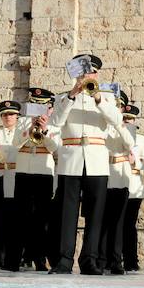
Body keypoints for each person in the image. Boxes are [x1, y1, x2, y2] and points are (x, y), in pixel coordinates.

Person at [48, 53, 123, 275]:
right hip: (70, 158)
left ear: (97, 74)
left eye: (91, 72)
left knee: (95, 213)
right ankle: (64, 260)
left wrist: (98, 98)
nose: (88, 75)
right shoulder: (64, 97)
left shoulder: (107, 96)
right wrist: (73, 94)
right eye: (83, 72)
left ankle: (90, 259)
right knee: (67, 212)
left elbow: (117, 121)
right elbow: (56, 122)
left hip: (96, 159)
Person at [13, 88, 59, 272]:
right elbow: (16, 143)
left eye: (42, 106)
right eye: (35, 105)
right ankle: (17, 257)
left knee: (41, 219)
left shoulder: (54, 124)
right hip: (24, 171)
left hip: (43, 173)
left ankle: (40, 258)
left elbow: (55, 147)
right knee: (21, 216)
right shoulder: (22, 122)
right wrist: (30, 128)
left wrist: (45, 129)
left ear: (48, 107)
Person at [100, 105, 137, 274]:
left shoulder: (125, 128)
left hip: (120, 176)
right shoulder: (101, 124)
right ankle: (100, 259)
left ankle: (115, 261)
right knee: (99, 222)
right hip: (102, 174)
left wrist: (118, 124)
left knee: (117, 223)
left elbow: (129, 143)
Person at [0, 100, 21, 270]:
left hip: (16, 178)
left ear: (17, 116)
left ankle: (14, 258)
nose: (8, 117)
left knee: (14, 221)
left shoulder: (23, 132)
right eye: (5, 114)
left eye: (11, 114)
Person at [121, 105, 144, 273]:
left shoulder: (140, 139)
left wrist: (136, 162)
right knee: (115, 224)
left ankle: (131, 261)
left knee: (129, 226)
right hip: (116, 183)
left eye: (130, 119)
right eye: (124, 119)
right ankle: (113, 259)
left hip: (134, 186)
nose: (127, 121)